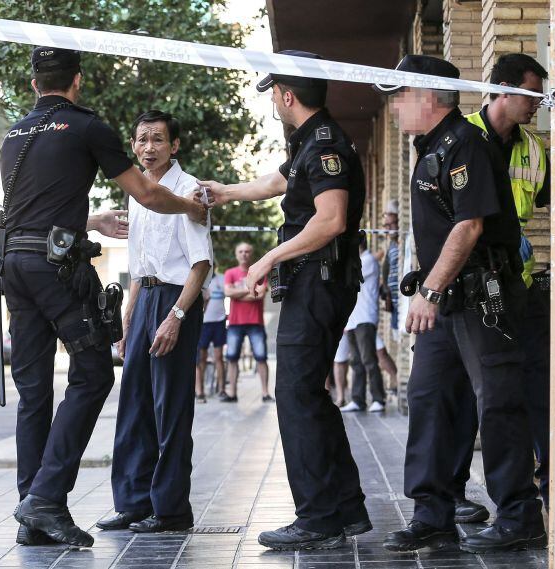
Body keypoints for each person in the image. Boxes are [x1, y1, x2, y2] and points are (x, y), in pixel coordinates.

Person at [3, 48, 208, 548]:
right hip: (52, 270)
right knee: (93, 374)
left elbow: (36, 209)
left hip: (11, 263)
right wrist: (192, 207)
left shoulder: (14, 134)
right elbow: (148, 194)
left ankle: (34, 512)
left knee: (34, 393)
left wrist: (89, 221)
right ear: (77, 81)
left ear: (34, 85)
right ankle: (46, 500)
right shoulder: (87, 127)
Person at [200, 50, 371, 550]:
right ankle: (346, 508)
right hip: (316, 281)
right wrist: (228, 192)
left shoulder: (323, 145)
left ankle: (318, 518)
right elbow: (281, 181)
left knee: (295, 396)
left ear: (287, 95)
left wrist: (265, 259)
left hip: (318, 280)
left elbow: (331, 218)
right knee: (308, 395)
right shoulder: (310, 144)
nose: (273, 99)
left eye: (274, 91)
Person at [376, 55, 544, 554]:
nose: (394, 108)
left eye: (400, 96)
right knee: (430, 400)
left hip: (480, 295)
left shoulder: (464, 143)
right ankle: (433, 514)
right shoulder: (430, 146)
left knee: (498, 402)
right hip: (446, 298)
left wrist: (428, 292)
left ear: (427, 96)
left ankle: (519, 515)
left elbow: (469, 226)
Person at [96, 109, 212, 534]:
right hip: (144, 298)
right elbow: (139, 263)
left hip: (175, 301)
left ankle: (170, 510)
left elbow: (201, 265)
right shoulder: (138, 191)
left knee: (171, 409)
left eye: (158, 139)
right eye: (142, 139)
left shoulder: (189, 190)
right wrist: (129, 319)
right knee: (134, 406)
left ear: (174, 145)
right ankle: (132, 503)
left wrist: (176, 317)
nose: (149, 147)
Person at [451, 53, 551, 520]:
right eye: (532, 95)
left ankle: (540, 491)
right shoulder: (461, 134)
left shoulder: (534, 150)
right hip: (465, 287)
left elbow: (548, 205)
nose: (537, 106)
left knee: (523, 389)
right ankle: (451, 496)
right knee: (461, 394)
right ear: (504, 90)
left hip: (517, 284)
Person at [340, 234, 386, 413]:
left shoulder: (367, 261)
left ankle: (378, 398)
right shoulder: (358, 261)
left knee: (369, 359)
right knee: (356, 361)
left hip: (365, 317)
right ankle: (358, 400)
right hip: (352, 319)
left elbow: (347, 278)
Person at [222, 242, 273, 403]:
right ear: (236, 254)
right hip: (235, 322)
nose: (244, 254)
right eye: (241, 251)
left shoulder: (259, 272)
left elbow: (260, 294)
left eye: (247, 251)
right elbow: (227, 292)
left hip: (255, 322)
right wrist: (250, 290)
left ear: (252, 254)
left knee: (261, 357)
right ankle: (232, 393)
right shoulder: (230, 272)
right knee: (231, 357)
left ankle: (265, 393)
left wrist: (237, 294)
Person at [196, 264, 227, 402]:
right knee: (201, 359)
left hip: (219, 322)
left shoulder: (222, 278)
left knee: (219, 357)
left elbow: (231, 293)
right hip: (203, 324)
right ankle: (200, 391)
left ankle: (222, 390)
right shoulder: (199, 279)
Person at [380, 200, 401, 334]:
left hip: (403, 301)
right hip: (394, 302)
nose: (388, 229)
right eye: (386, 225)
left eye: (391, 224)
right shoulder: (391, 245)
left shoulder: (402, 241)